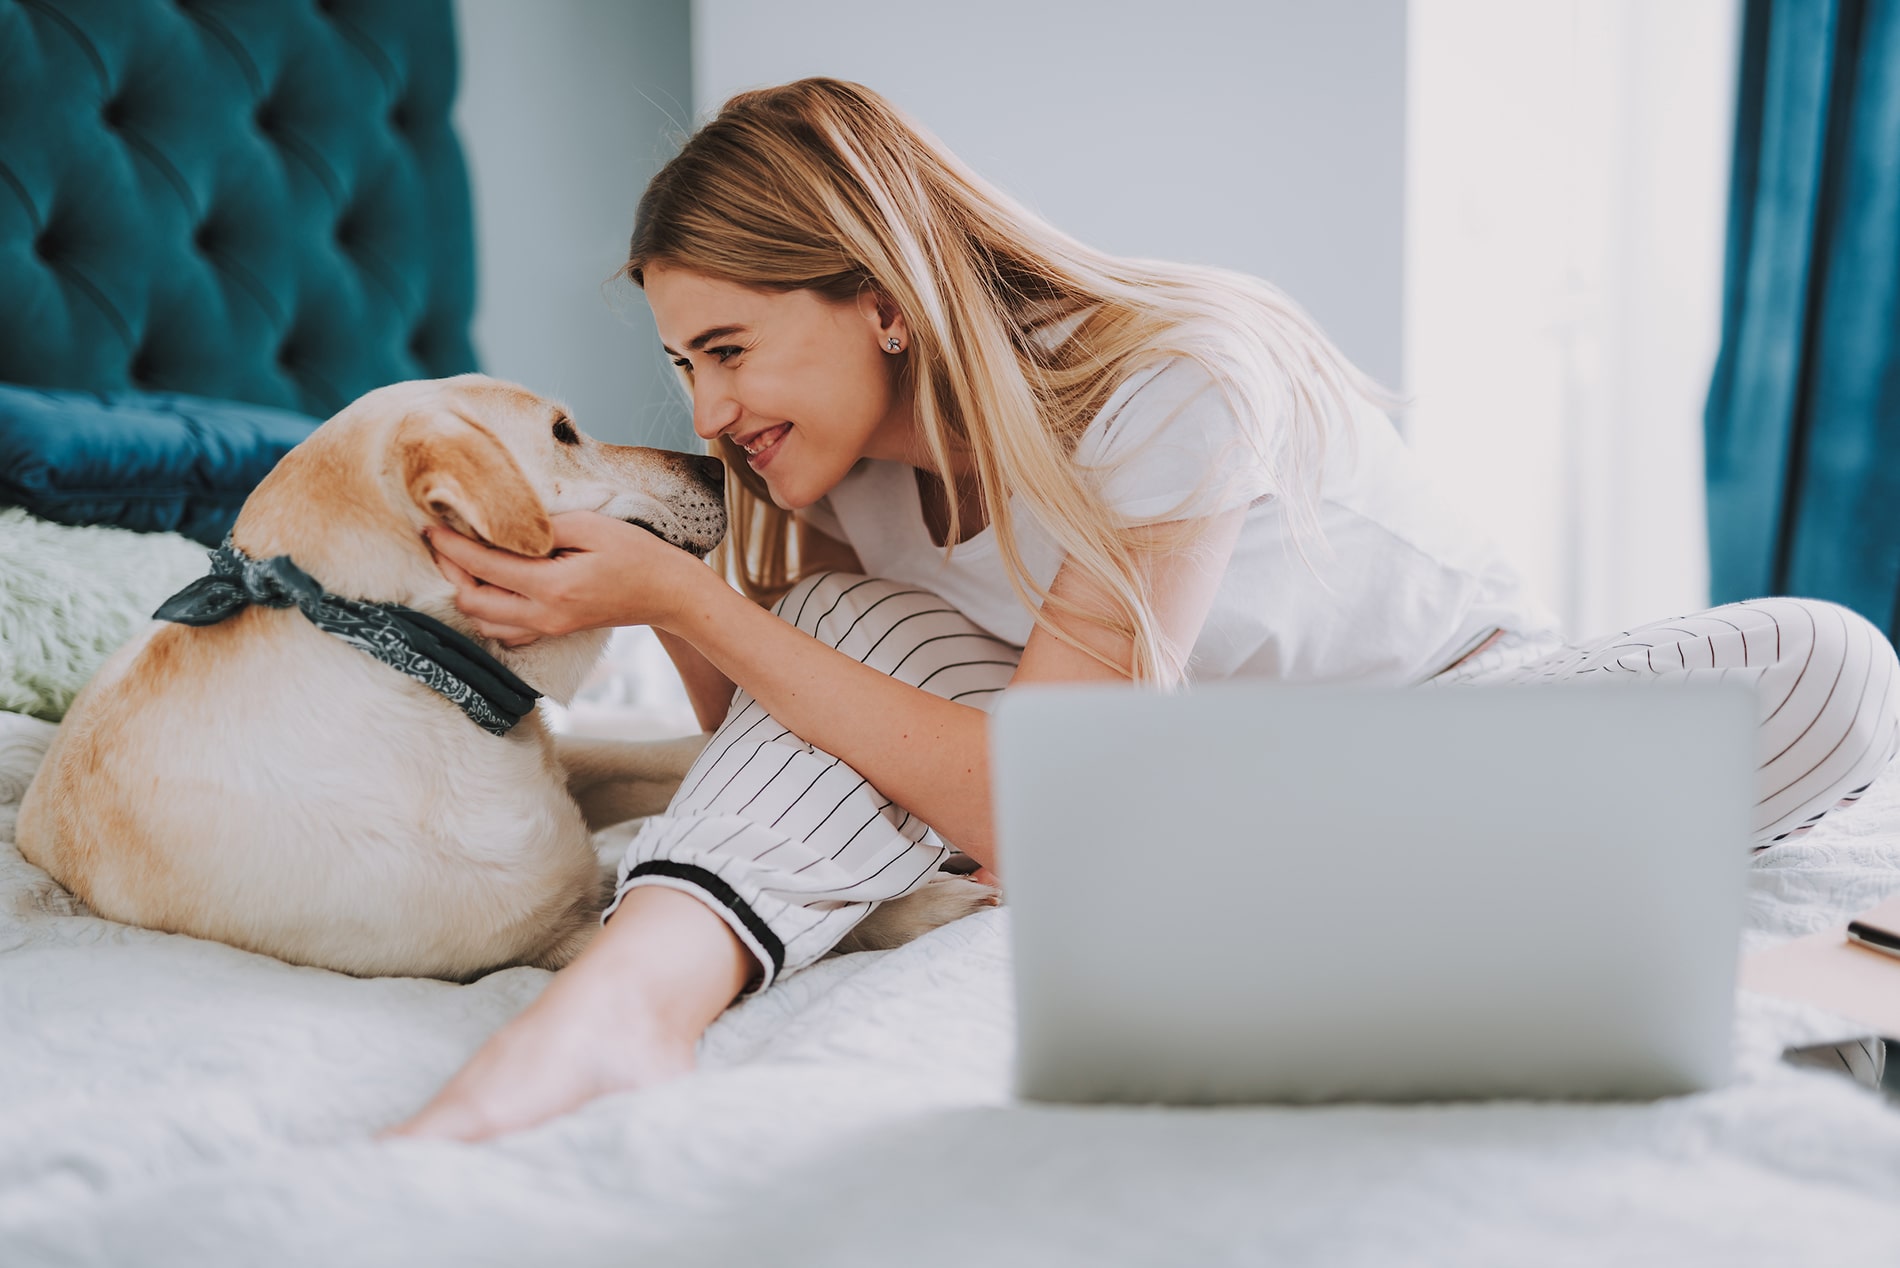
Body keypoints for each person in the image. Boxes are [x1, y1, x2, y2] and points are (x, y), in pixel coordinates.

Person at [388, 79, 1900, 1141]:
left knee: (1828, 663)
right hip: (1184, 803)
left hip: (1446, 717)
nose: (709, 409)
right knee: (857, 649)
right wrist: (680, 596)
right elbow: (800, 735)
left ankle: (1268, 890)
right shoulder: (829, 479)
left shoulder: (1165, 378)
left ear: (883, 299)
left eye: (728, 348)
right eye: (681, 367)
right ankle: (632, 1000)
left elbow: (1045, 808)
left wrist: (684, 598)